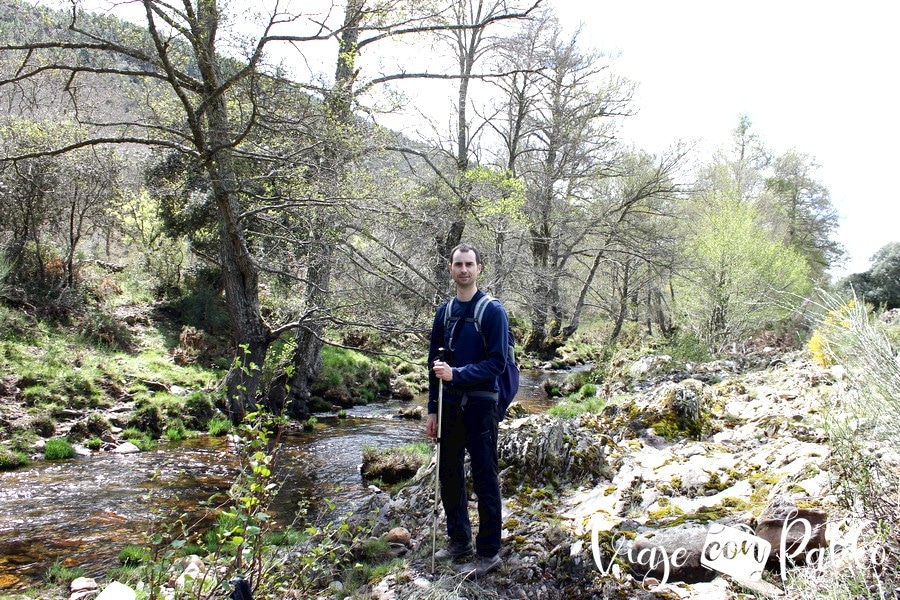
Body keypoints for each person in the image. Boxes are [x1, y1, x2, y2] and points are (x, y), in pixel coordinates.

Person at [426, 243, 508, 576]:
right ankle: (459, 540)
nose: (464, 270)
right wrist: (432, 408)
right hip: (448, 408)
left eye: (469, 264)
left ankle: (489, 552)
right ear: (450, 268)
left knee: (485, 477)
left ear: (479, 269)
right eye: (458, 264)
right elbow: (432, 363)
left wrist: (457, 374)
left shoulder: (492, 311)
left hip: (481, 407)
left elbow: (497, 363)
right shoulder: (444, 313)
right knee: (449, 475)